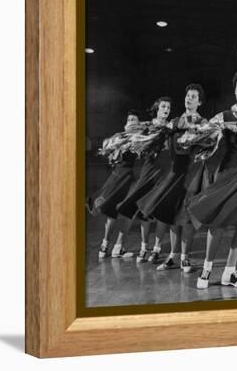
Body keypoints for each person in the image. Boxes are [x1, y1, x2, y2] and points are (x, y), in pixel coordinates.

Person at [188, 71, 237, 289]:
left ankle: (230, 272)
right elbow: (199, 133)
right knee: (218, 222)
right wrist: (217, 129)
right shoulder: (224, 115)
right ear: (235, 90)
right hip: (228, 173)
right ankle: (207, 269)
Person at [138, 84, 207, 273]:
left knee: (187, 218)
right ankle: (173, 257)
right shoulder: (174, 122)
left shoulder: (203, 123)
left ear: (199, 102)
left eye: (193, 96)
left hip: (192, 174)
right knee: (172, 216)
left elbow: (207, 144)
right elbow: (157, 135)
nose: (189, 99)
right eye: (187, 95)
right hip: (174, 173)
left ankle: (185, 258)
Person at [116, 97, 172, 264]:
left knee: (162, 212)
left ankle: (156, 249)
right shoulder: (147, 125)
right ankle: (144, 247)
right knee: (144, 212)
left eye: (168, 107)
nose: (166, 109)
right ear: (157, 108)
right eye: (163, 106)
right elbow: (131, 134)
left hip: (165, 171)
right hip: (148, 170)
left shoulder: (171, 127)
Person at [85, 111, 140, 259]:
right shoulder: (117, 137)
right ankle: (104, 245)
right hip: (117, 177)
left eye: (134, 120)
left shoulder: (140, 137)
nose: (132, 122)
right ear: (125, 123)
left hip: (132, 179)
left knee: (129, 213)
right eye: (129, 119)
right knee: (111, 213)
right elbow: (108, 153)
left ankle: (119, 246)